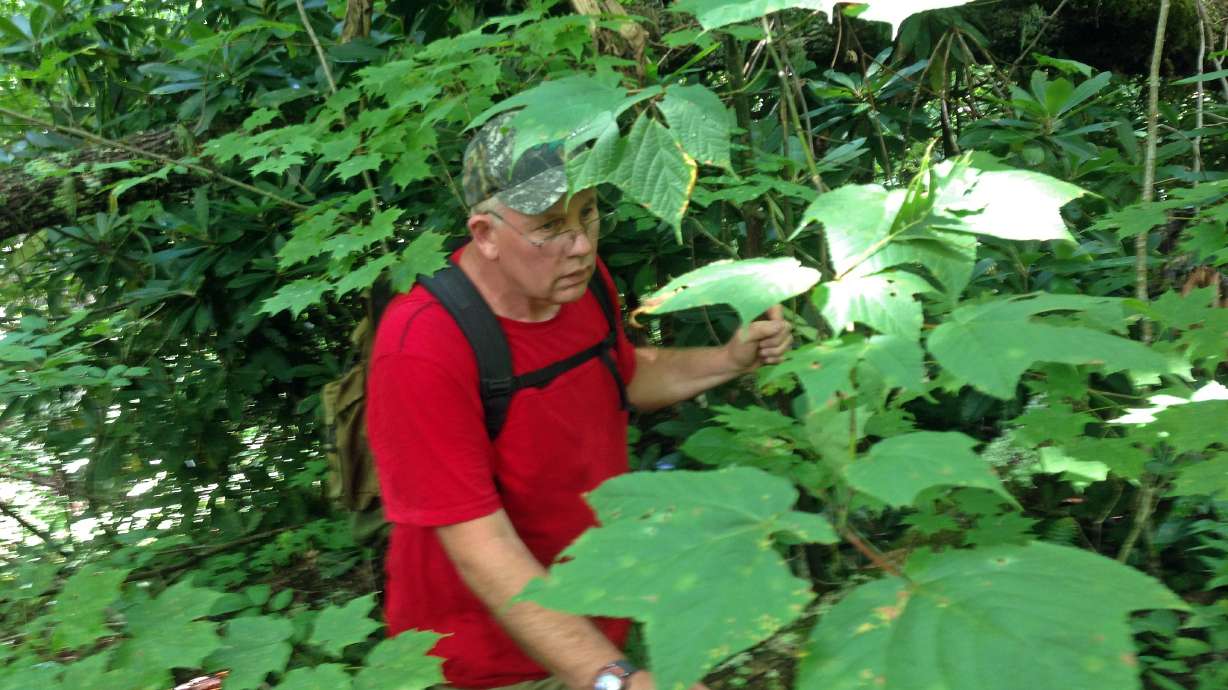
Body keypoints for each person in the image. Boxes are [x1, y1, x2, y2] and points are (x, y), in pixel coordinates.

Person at [366, 113, 792, 690]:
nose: (581, 245)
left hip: (598, 617)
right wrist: (617, 681)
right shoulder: (422, 346)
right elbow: (480, 548)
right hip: (479, 665)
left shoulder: (582, 285)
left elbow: (618, 378)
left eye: (588, 212)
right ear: (485, 234)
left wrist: (729, 360)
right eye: (549, 226)